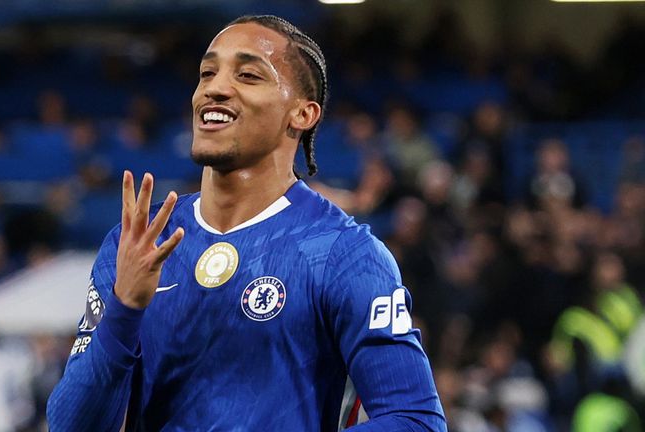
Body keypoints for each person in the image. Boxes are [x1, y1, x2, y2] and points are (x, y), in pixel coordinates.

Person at [47, 15, 446, 431]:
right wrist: (124, 311)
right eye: (207, 73)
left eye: (249, 75)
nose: (214, 88)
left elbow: (415, 420)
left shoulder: (344, 254)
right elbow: (71, 426)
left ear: (303, 114)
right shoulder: (138, 243)